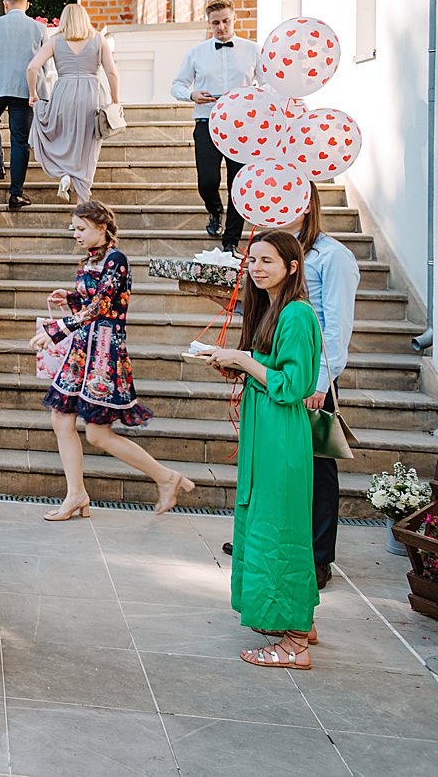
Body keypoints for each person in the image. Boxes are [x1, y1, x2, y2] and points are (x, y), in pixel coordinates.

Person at [198, 231, 322, 670]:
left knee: (280, 529)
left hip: (281, 437)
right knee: (272, 524)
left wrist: (244, 360)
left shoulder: (296, 314)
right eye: (252, 260)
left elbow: (293, 385)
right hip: (266, 431)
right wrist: (235, 364)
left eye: (267, 260)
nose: (257, 268)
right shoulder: (273, 309)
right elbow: (268, 372)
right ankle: (300, 621)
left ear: (292, 266)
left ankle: (293, 644)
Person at [26, 201, 193, 520]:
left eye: (81, 228)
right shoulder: (92, 259)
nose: (75, 234)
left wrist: (58, 328)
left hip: (103, 351)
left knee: (98, 433)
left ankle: (166, 478)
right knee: (61, 419)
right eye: (73, 228)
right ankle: (76, 494)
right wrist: (70, 298)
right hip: (83, 348)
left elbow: (103, 305)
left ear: (102, 227)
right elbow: (91, 302)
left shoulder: (116, 259)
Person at [291, 185, 359, 589]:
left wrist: (320, 382)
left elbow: (336, 326)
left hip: (314, 376)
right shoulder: (274, 252)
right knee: (277, 462)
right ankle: (273, 539)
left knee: (317, 468)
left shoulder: (332, 256)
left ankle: (319, 556)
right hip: (276, 372)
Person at [171, 0, 260, 250]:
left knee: (238, 184)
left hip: (242, 127)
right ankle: (214, 209)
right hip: (206, 122)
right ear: (208, 24)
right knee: (207, 181)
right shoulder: (196, 53)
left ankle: (230, 241)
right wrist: (191, 95)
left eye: (225, 21)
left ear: (234, 19)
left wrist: (254, 98)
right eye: (215, 23)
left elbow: (267, 85)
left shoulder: (253, 50)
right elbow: (177, 84)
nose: (221, 27)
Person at [26, 3, 120, 203]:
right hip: (92, 94)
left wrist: (33, 94)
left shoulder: (55, 41)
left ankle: (65, 174)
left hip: (64, 94)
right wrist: (115, 100)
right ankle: (81, 208)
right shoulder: (99, 40)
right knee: (88, 149)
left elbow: (32, 68)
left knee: (65, 139)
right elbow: (111, 72)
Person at [0, 0, 47, 211]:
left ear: (5, 5)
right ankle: (15, 194)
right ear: (26, 5)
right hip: (25, 88)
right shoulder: (39, 27)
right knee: (19, 140)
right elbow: (45, 64)